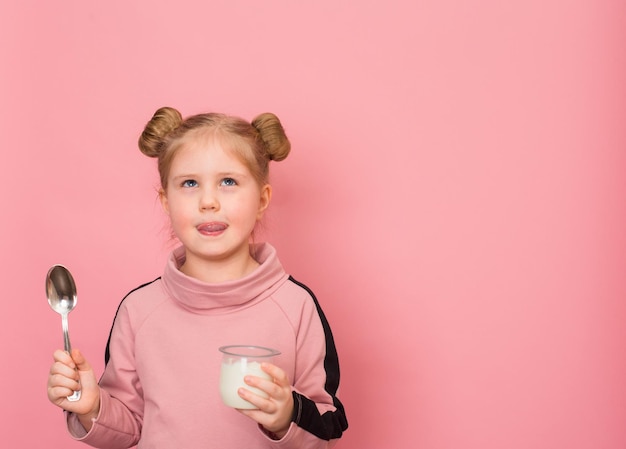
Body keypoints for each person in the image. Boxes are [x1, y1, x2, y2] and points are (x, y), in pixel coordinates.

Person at [47, 106, 348, 448]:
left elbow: (327, 430)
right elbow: (130, 427)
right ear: (165, 201)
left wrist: (287, 415)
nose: (208, 201)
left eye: (228, 182)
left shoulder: (296, 307)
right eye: (189, 183)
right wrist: (92, 408)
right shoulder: (139, 309)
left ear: (262, 199)